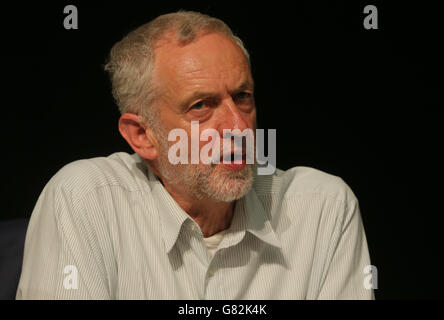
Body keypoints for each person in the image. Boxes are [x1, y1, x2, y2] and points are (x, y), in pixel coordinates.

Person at [16, 10, 373, 299]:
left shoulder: (323, 206)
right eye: (201, 106)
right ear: (142, 136)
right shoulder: (84, 199)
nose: (238, 127)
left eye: (243, 97)